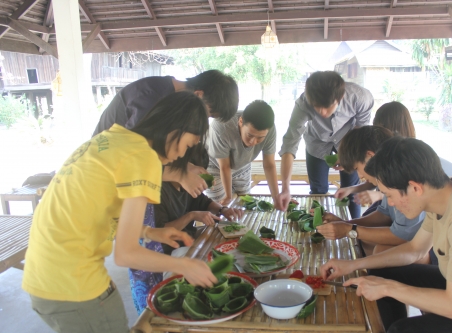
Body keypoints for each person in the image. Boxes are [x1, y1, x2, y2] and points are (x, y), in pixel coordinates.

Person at [22, 92, 219, 333]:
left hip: (42, 277)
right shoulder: (143, 157)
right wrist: (186, 266)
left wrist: (150, 232)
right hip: (72, 284)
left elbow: (93, 212)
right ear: (176, 127)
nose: (180, 156)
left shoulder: (112, 139)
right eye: (188, 145)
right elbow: (126, 255)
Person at [321, 137, 452, 333]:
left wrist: (389, 288)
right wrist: (353, 265)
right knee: (382, 273)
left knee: (402, 329)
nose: (391, 204)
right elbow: (415, 249)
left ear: (415, 188)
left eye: (389, 195)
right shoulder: (442, 193)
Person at [128, 149, 244, 314]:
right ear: (184, 168)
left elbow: (204, 201)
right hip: (166, 252)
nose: (199, 180)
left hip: (184, 244)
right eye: (198, 175)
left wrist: (224, 209)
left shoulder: (188, 186)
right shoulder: (158, 191)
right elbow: (161, 231)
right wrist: (192, 216)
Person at [92, 70, 240, 199]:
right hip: (102, 177)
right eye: (208, 114)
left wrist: (186, 167)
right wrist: (179, 174)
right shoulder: (150, 99)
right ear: (198, 95)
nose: (203, 120)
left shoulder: (169, 92)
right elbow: (134, 163)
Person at [317, 125, 452, 259]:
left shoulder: (401, 172)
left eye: (356, 168)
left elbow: (404, 236)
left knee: (378, 249)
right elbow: (384, 214)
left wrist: (349, 229)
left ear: (370, 157)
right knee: (365, 242)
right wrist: (345, 224)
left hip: (440, 247)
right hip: (424, 239)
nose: (360, 176)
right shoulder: (389, 168)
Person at [277, 71, 373, 217]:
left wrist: (347, 154)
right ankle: (318, 228)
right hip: (317, 141)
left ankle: (354, 227)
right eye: (317, 107)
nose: (322, 112)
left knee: (351, 187)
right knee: (318, 189)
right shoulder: (303, 104)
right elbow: (290, 143)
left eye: (328, 106)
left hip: (348, 138)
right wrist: (285, 188)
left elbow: (361, 132)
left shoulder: (360, 98)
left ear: (340, 98)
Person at [334, 101, 416, 213]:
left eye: (379, 125)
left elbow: (407, 196)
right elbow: (373, 180)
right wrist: (352, 189)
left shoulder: (405, 159)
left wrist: (380, 196)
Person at [205, 100, 281, 207]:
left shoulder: (270, 130)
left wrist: (277, 197)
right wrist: (228, 196)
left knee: (246, 202)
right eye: (250, 135)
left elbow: (269, 165)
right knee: (219, 206)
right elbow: (225, 166)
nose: (253, 142)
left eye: (260, 138)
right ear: (240, 121)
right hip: (215, 163)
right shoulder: (221, 126)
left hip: (242, 161)